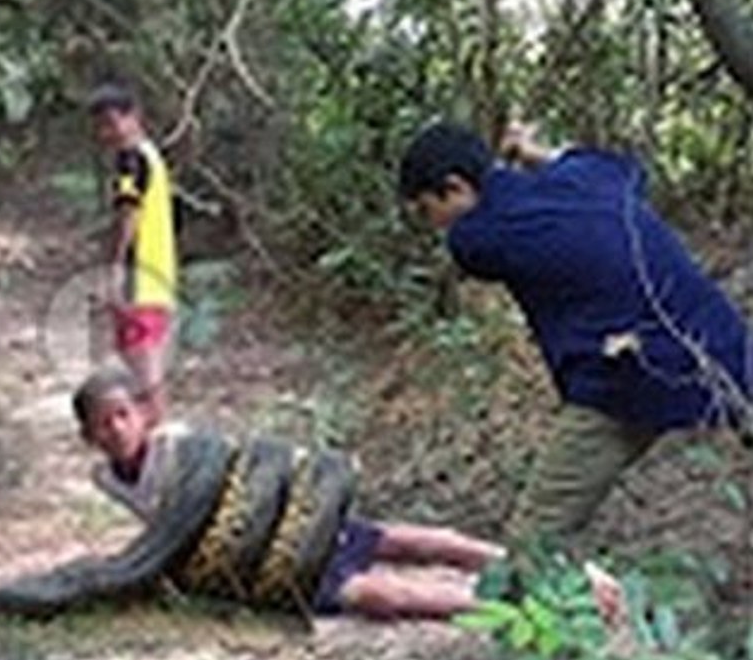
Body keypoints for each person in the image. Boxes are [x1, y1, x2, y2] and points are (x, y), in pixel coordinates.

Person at [397, 121, 751, 543]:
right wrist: (534, 152)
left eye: (425, 209)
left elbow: (485, 233)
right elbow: (628, 169)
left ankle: (527, 597)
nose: (432, 224)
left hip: (626, 379)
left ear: (454, 188)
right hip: (717, 339)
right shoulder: (584, 176)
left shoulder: (475, 238)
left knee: (534, 536)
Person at [73, 368, 511, 619]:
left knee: (405, 542)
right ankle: (498, 612)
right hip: (260, 561)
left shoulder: (179, 444)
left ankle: (515, 564)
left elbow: (249, 471)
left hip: (286, 521)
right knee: (380, 595)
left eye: (122, 415)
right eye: (102, 423)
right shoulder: (107, 478)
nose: (115, 429)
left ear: (143, 415)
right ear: (88, 435)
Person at [88, 82, 180, 428]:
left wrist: (112, 270)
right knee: (146, 361)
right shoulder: (151, 154)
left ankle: (156, 441)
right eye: (100, 126)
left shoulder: (131, 160)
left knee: (141, 368)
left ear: (133, 116)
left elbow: (128, 216)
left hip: (138, 277)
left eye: (112, 122)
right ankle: (157, 435)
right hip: (158, 276)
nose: (106, 132)